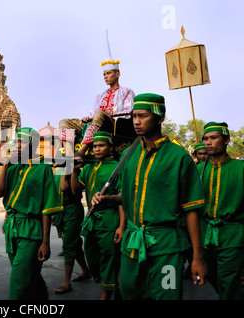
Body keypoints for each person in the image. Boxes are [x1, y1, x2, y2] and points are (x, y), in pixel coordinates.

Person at [93, 93, 207, 300]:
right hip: (132, 245)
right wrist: (109, 200)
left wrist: (197, 257)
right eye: (134, 116)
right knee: (131, 294)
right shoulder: (131, 155)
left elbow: (191, 209)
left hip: (166, 248)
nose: (136, 121)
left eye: (143, 116)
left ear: (160, 117)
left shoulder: (178, 156)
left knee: (167, 295)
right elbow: (128, 196)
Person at [0, 127, 64, 300]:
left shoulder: (43, 169)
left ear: (32, 145)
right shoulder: (12, 168)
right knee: (30, 275)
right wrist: (6, 163)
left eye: (22, 142)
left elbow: (47, 208)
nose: (17, 145)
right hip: (12, 227)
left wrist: (45, 242)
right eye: (16, 141)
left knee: (18, 280)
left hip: (32, 229)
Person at [71, 131, 125, 300]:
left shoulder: (117, 168)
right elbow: (74, 190)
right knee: (93, 261)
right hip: (91, 222)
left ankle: (105, 295)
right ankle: (114, 287)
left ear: (111, 147)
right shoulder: (88, 167)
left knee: (109, 260)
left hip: (110, 220)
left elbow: (123, 199)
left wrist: (121, 226)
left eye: (101, 145)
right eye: (94, 146)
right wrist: (73, 170)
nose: (97, 149)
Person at [58, 45, 135, 159]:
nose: (105, 76)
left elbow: (128, 112)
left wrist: (105, 115)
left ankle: (81, 152)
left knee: (99, 114)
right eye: (104, 74)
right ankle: (69, 155)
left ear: (118, 74)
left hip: (114, 125)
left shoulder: (126, 91)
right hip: (95, 123)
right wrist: (87, 118)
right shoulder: (100, 95)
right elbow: (92, 113)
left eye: (109, 73)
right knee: (64, 122)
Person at [198, 122, 244, 300]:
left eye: (213, 138)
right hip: (205, 236)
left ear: (226, 140)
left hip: (233, 235)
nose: (208, 142)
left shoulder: (240, 168)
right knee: (212, 276)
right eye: (206, 139)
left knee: (229, 281)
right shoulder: (198, 170)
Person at [52, 165, 91, 294]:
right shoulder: (58, 170)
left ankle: (66, 281)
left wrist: (69, 168)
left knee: (68, 246)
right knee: (74, 244)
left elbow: (65, 187)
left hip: (72, 211)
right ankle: (85, 271)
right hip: (60, 211)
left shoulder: (76, 171)